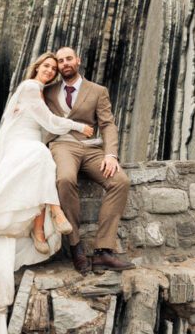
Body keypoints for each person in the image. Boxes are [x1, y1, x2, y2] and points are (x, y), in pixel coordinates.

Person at [0, 52, 94, 332]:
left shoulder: (38, 95)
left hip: (28, 145)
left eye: (53, 69)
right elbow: (50, 122)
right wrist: (78, 125)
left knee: (43, 156)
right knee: (41, 156)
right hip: (22, 146)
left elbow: (45, 129)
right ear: (36, 67)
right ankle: (53, 213)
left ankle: (38, 226)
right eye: (46, 66)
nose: (49, 71)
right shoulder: (30, 87)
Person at [44, 47, 134, 273]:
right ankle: (75, 245)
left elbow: (107, 124)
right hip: (62, 146)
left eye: (69, 59)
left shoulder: (97, 90)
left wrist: (110, 154)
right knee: (64, 179)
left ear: (78, 61)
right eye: (61, 60)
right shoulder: (47, 91)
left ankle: (104, 251)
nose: (65, 63)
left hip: (91, 148)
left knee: (120, 181)